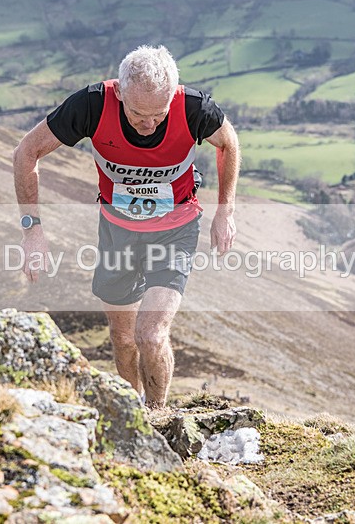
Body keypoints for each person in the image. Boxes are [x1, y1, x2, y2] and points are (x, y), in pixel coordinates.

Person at [13, 45, 240, 408]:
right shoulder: (92, 105)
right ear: (119, 92)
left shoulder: (193, 107)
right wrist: (32, 230)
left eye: (159, 115)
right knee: (123, 338)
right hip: (117, 231)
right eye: (137, 114)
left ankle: (157, 416)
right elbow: (26, 152)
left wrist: (225, 211)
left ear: (173, 97)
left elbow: (228, 143)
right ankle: (131, 412)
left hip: (175, 229)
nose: (149, 125)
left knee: (150, 334)